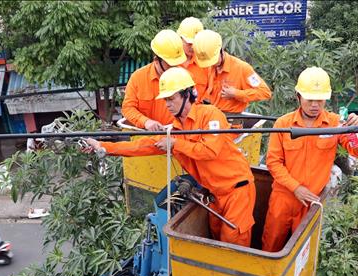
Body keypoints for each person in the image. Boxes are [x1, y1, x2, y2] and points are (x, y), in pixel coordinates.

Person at [84, 67, 256, 247]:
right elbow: (141, 146)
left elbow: (209, 151)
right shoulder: (174, 130)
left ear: (188, 95)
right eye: (165, 100)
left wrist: (175, 144)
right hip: (214, 194)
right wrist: (103, 146)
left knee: (234, 245)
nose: (167, 104)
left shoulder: (211, 115)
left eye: (171, 98)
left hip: (237, 191)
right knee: (215, 239)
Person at [261, 67, 358, 252]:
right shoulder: (283, 124)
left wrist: (356, 130)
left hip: (311, 201)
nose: (315, 105)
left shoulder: (336, 123)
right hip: (284, 198)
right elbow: (273, 162)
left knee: (303, 251)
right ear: (298, 97)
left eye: (320, 100)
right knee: (271, 244)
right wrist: (296, 188)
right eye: (310, 99)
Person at [122, 29, 188, 131]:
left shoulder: (184, 77)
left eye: (176, 63)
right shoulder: (138, 78)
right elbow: (128, 108)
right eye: (170, 64)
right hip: (144, 135)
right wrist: (146, 122)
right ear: (156, 60)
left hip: (175, 135)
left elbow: (193, 107)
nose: (174, 67)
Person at [193, 30, 271, 114]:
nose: (212, 64)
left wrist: (236, 93)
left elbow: (264, 92)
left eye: (214, 60)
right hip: (211, 118)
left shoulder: (242, 68)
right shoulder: (208, 67)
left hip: (232, 121)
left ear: (221, 50)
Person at [177, 17, 210, 102]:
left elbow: (211, 90)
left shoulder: (206, 63)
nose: (192, 47)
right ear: (180, 39)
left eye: (196, 43)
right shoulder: (171, 63)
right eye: (189, 43)